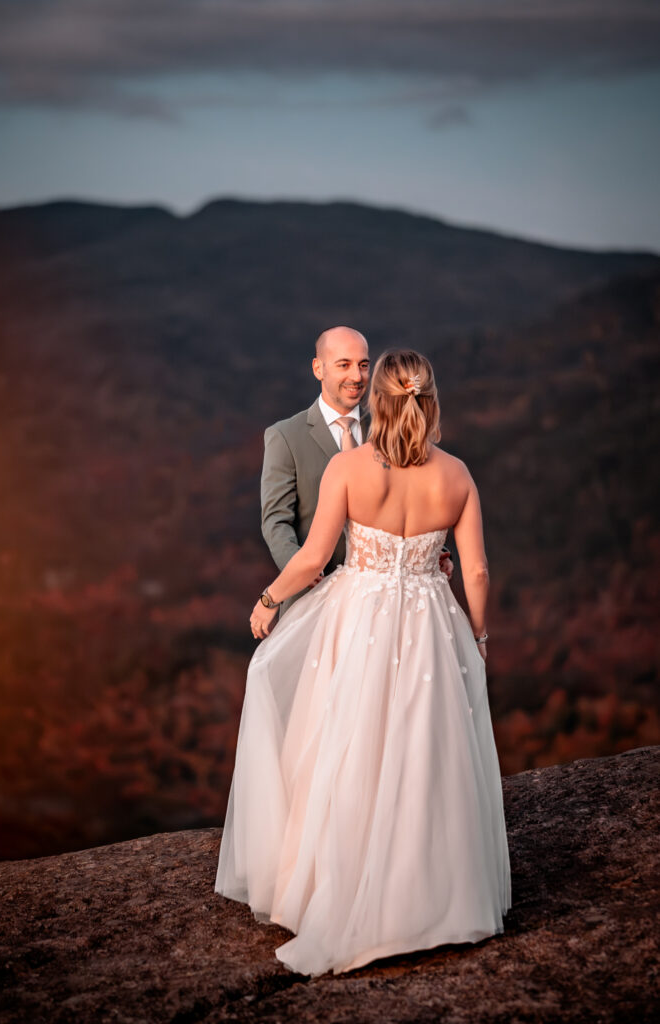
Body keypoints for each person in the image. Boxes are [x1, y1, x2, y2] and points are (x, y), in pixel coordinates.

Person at [215, 349, 512, 977]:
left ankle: (336, 885)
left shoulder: (348, 468)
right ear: (430, 401)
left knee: (348, 744)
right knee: (424, 750)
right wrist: (479, 635)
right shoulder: (458, 474)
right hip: (431, 624)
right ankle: (430, 897)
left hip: (359, 621)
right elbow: (479, 571)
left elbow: (310, 558)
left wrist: (268, 601)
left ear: (376, 399)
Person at [260, 326, 451, 610]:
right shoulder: (285, 436)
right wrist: (301, 571)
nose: (357, 376)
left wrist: (433, 553)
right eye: (344, 365)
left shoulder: (389, 429)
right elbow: (276, 522)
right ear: (318, 368)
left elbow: (411, 498)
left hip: (381, 603)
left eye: (363, 365)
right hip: (311, 599)